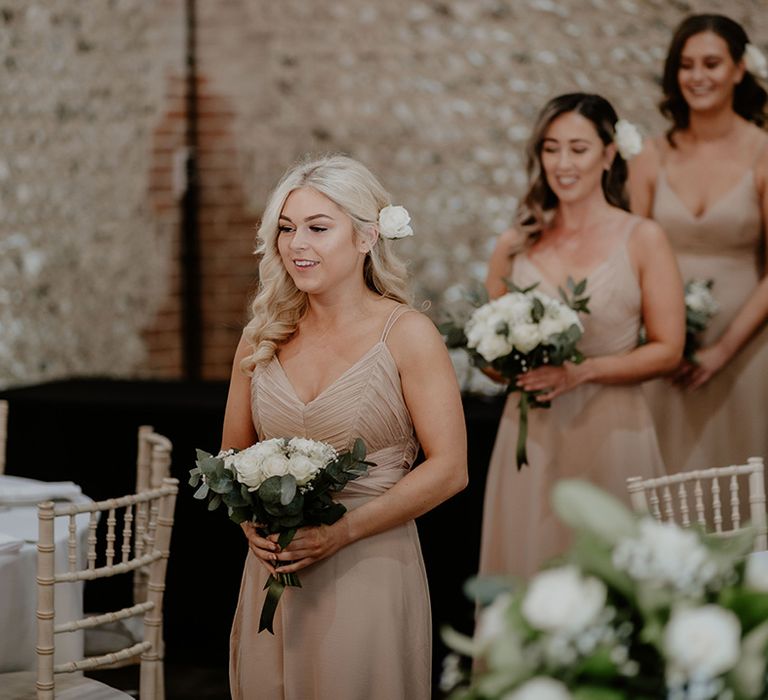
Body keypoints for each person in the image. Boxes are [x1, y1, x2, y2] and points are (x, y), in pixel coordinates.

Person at [220, 154, 467, 700]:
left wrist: (339, 533)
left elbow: (450, 469)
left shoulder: (407, 334)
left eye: (317, 228)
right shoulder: (262, 336)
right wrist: (253, 531)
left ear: (365, 237)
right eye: (286, 229)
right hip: (274, 569)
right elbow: (230, 460)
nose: (296, 244)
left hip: (370, 566)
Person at [479, 93, 684, 579]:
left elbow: (668, 349)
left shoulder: (643, 238)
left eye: (578, 148)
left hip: (614, 431)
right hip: (532, 435)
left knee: (617, 576)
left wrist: (581, 371)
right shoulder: (514, 245)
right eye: (551, 149)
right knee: (530, 572)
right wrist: (510, 361)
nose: (563, 163)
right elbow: (485, 350)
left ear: (609, 154)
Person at [629, 14, 768, 472]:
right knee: (663, 474)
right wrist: (661, 344)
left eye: (711, 63)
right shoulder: (651, 155)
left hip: (746, 351)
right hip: (663, 353)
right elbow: (627, 260)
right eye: (686, 65)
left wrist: (722, 350)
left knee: (741, 473)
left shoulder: (763, 152)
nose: (697, 76)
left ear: (738, 68)